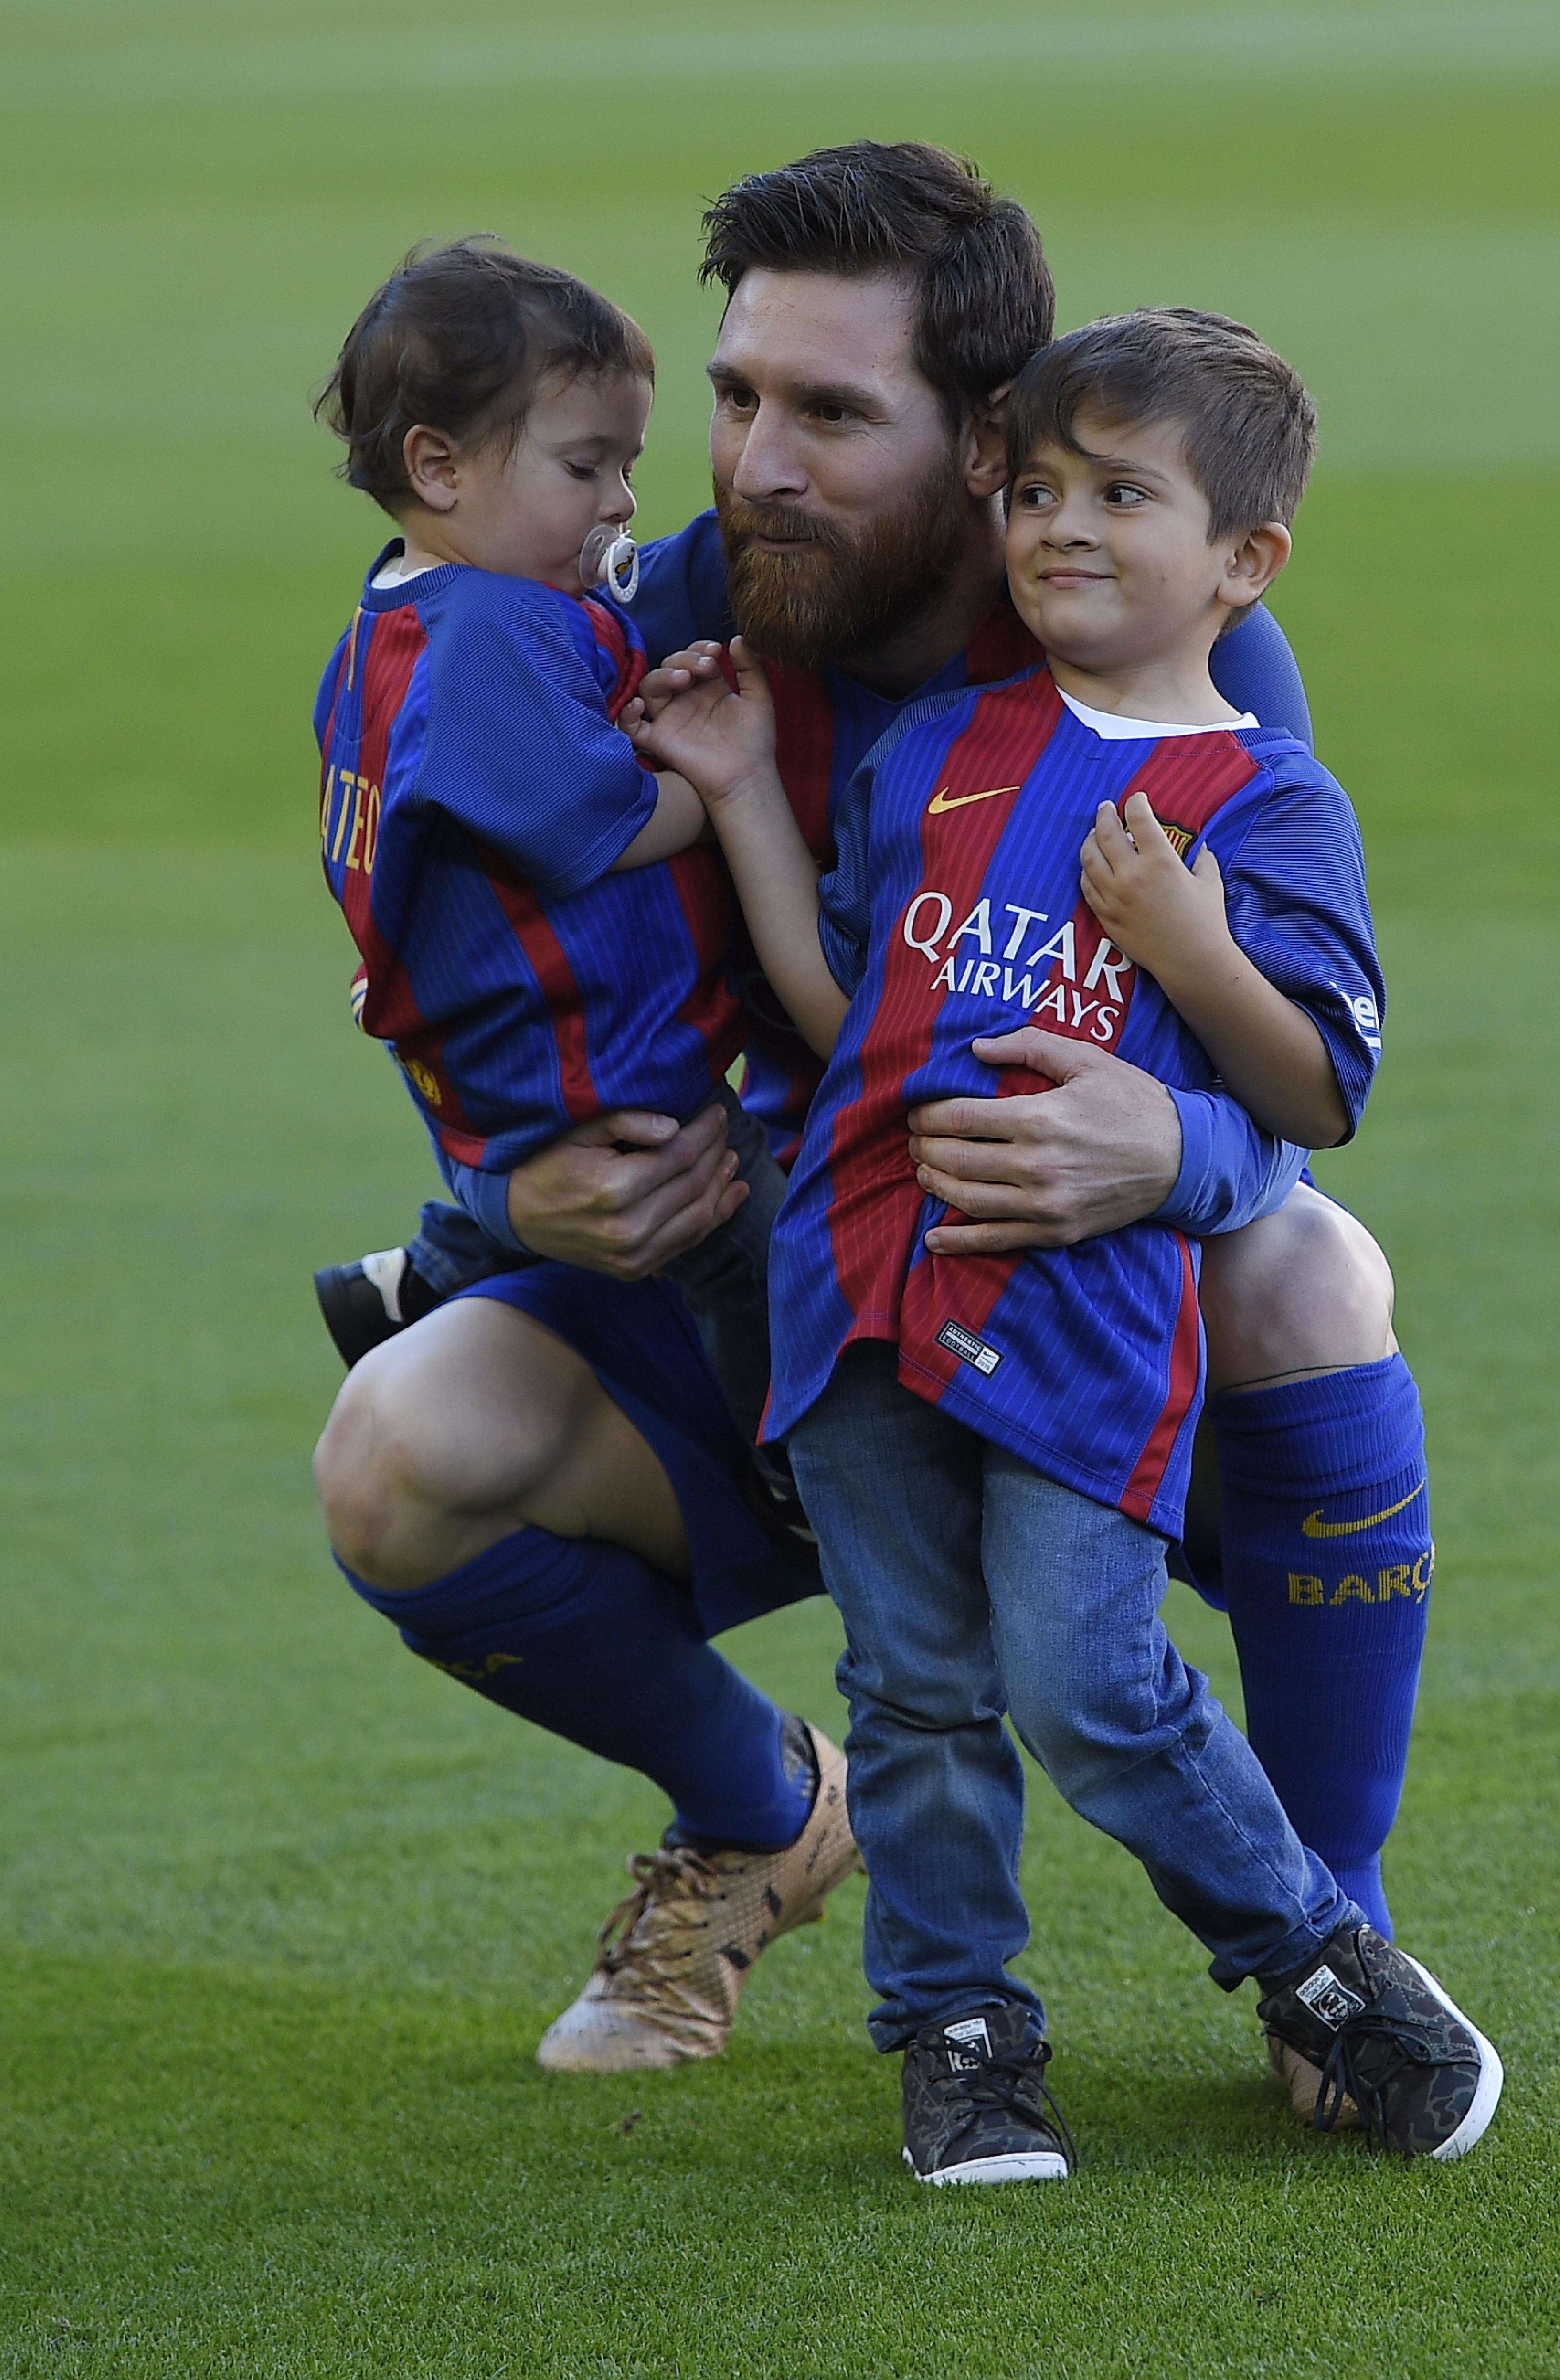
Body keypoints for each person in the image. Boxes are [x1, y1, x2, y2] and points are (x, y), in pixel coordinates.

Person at [313, 145, 1431, 2083]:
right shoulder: (649, 615)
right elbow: (473, 965)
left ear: (992, 440)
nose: (750, 461)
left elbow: (1281, 1062)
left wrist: (1180, 1155)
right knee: (398, 1449)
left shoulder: (1174, 644)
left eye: (829, 413)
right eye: (739, 397)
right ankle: (760, 1810)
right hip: (779, 1293)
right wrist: (521, 1188)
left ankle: (1331, 1936)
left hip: (1054, 1298)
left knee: (1310, 1275)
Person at [631, 305, 1502, 2180]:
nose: (1064, 526)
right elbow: (842, 998)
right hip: (860, 1279)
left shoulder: (1266, 797)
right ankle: (960, 2032)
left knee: (1084, 1676)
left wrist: (1190, 952)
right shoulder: (942, 743)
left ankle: (1315, 1957)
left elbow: (1322, 1084)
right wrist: (729, 797)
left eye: (1124, 493)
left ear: (1243, 561)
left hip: (1085, 1305)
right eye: (1034, 489)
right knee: (914, 1688)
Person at [311, 237, 862, 2060]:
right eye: (584, 467)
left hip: (538, 1081)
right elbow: (568, 831)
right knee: (741, 1257)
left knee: (662, 1214)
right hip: (608, 1084)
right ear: (439, 466)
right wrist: (703, 785)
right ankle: (803, 1468)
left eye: (635, 462)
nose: (628, 504)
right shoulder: (478, 627)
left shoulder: (406, 616)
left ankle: (448, 1268)